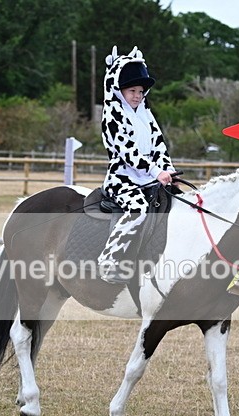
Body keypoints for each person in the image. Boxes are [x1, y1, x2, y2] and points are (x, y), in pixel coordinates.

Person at [97, 46, 177, 283]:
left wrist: (167, 169)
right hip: (122, 179)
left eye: (141, 91)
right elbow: (128, 152)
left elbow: (159, 144)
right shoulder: (112, 115)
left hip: (150, 177)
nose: (137, 96)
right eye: (132, 90)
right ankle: (110, 261)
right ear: (119, 89)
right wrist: (156, 170)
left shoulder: (145, 114)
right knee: (138, 209)